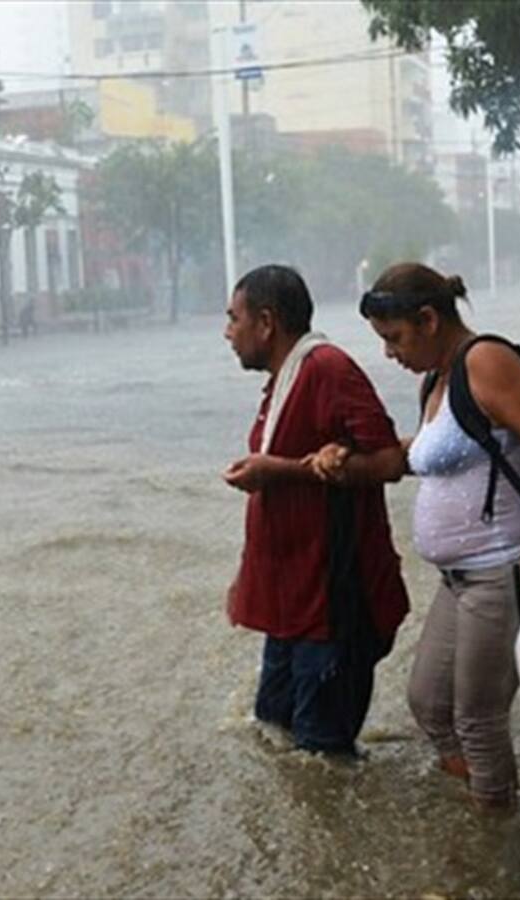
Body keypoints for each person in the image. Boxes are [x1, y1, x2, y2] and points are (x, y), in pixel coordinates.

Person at [350, 262, 520, 810]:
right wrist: (349, 461)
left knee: (478, 719)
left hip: (499, 572)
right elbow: (431, 453)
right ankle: (486, 801)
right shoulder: (439, 377)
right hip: (458, 581)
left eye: (395, 338)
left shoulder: (485, 361)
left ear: (428, 319)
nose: (390, 353)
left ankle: (497, 843)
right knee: (428, 703)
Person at [222, 264, 410, 755]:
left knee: (324, 756)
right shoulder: (285, 381)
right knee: (272, 733)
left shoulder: (328, 369)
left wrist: (279, 470)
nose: (227, 333)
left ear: (266, 322)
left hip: (333, 605)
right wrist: (247, 582)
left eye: (233, 318)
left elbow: (389, 460)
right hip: (291, 606)